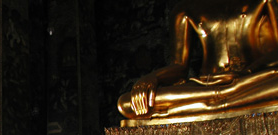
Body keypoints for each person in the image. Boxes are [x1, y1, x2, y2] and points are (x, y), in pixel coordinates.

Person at [118, 0, 278, 119]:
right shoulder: (185, 8)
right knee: (126, 104)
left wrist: (247, 73)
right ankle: (220, 100)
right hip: (206, 85)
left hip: (252, 80)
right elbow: (179, 66)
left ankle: (212, 104)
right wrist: (152, 78)